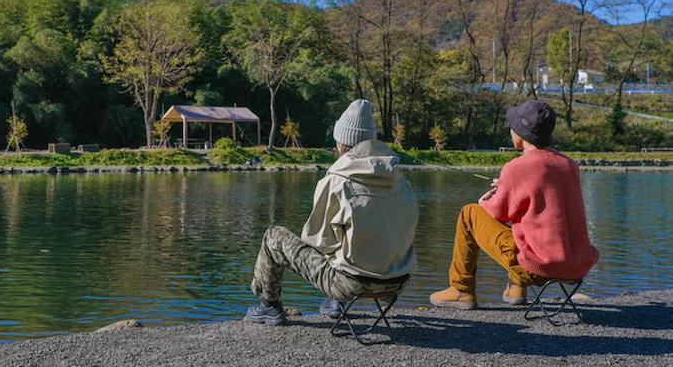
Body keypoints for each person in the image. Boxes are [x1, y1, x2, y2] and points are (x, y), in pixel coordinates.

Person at [244, 99, 419, 325]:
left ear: (340, 143)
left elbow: (317, 241)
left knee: (274, 237)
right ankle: (335, 304)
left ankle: (269, 306)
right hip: (398, 282)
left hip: (350, 284)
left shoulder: (337, 181)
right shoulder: (401, 182)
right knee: (351, 240)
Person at [429, 100, 599, 309]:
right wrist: (508, 187)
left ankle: (461, 290)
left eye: (513, 127)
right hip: (577, 266)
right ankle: (515, 289)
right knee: (523, 222)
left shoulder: (516, 167)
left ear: (520, 134)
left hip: (539, 269)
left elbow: (497, 213)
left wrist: (486, 199)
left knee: (469, 214)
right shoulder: (569, 165)